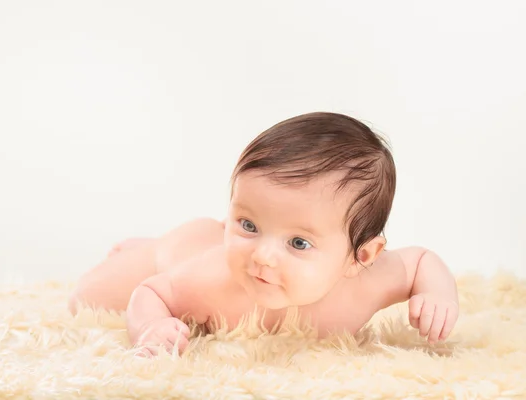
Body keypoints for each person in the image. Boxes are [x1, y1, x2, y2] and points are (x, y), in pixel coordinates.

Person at [68, 112, 459, 356]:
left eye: (298, 243)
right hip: (189, 248)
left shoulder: (370, 283)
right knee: (84, 298)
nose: (264, 256)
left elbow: (420, 260)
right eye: (249, 225)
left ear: (361, 257)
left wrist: (437, 292)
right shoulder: (212, 280)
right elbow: (151, 291)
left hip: (214, 241)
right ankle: (151, 245)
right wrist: (150, 326)